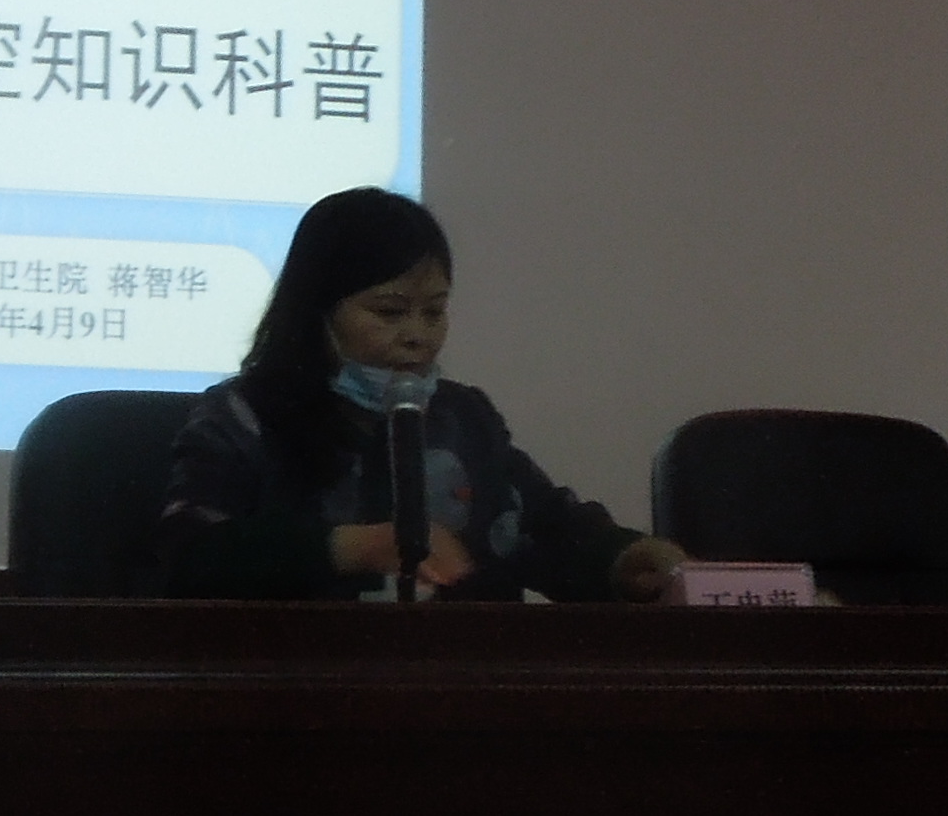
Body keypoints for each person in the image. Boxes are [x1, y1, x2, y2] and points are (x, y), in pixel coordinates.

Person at [157, 187, 682, 603]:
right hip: (298, 682)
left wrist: (624, 557)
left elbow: (546, 529)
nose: (418, 335)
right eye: (389, 312)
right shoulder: (244, 415)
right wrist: (357, 547)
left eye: (434, 311)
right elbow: (188, 556)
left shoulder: (464, 418)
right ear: (316, 314)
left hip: (460, 678)